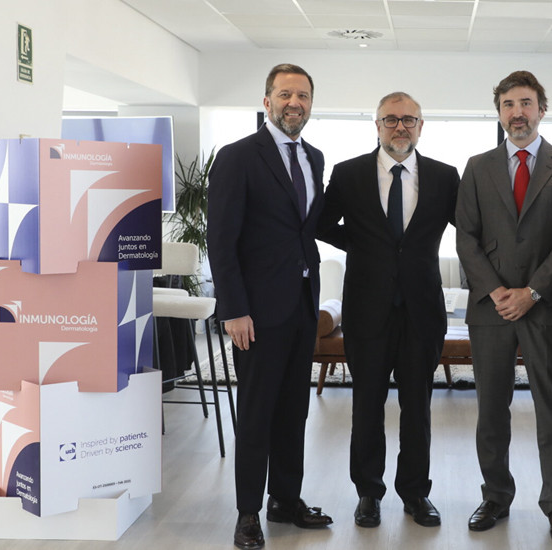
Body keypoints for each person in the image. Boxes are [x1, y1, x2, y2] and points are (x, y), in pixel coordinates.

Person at [317, 92, 459, 529]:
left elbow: (471, 229)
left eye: (409, 120)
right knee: (367, 405)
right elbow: (321, 222)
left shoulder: (444, 176)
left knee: (418, 407)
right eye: (391, 119)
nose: (400, 127)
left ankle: (415, 493)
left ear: (421, 126)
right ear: (377, 125)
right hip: (367, 309)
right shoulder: (348, 173)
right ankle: (368, 493)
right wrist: (360, 245)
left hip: (422, 310)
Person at [455, 70, 552, 545]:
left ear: (541, 110)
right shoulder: (477, 166)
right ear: (499, 112)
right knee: (491, 410)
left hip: (546, 307)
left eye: (526, 103)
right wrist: (496, 291)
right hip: (491, 309)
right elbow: (465, 237)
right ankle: (495, 497)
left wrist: (531, 292)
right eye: (508, 104)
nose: (517, 113)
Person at [207, 63, 332, 550]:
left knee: (293, 411)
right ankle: (247, 513)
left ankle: (285, 499)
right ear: (267, 102)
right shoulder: (238, 157)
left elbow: (306, 228)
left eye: (302, 95)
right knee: (257, 413)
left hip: (302, 305)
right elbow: (221, 240)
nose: (294, 103)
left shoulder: (315, 157)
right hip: (255, 313)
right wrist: (233, 309)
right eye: (285, 94)